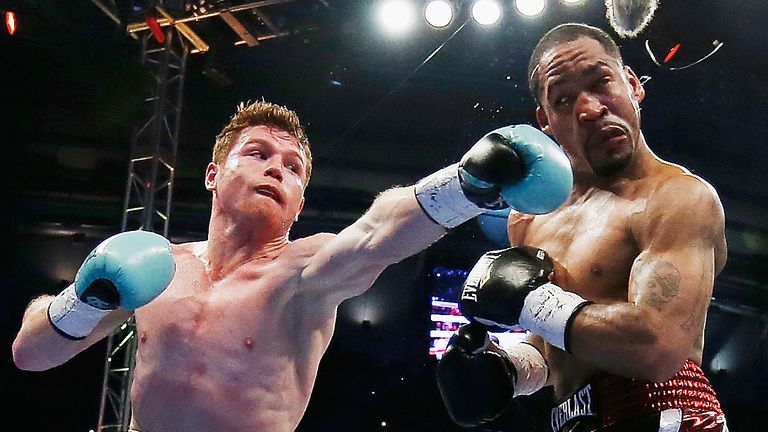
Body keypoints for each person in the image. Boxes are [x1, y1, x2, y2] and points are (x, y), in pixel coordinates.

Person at [12, 99, 574, 432]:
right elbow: (31, 356)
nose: (277, 170)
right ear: (213, 175)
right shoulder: (158, 269)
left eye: (293, 167)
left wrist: (466, 184)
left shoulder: (304, 275)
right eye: (257, 154)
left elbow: (377, 236)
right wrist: (84, 300)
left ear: (301, 200)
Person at [436, 23, 729, 432]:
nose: (589, 109)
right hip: (572, 421)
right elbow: (551, 346)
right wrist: (507, 368)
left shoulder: (678, 198)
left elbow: (658, 349)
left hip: (666, 415)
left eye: (601, 82)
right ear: (545, 120)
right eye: (564, 99)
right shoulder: (529, 219)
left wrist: (532, 304)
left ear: (632, 84)